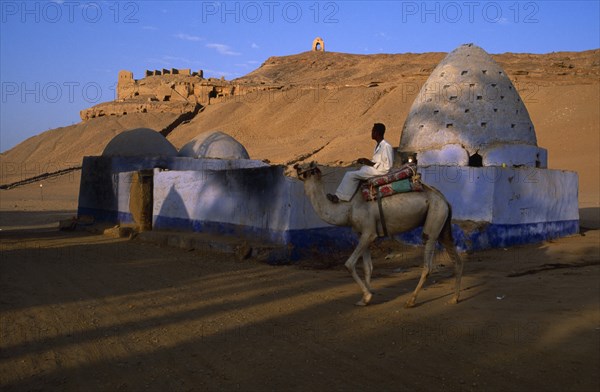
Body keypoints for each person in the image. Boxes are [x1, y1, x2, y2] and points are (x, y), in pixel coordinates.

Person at [327, 123, 394, 203]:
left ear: (377, 132)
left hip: (382, 172)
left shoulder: (386, 146)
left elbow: (388, 166)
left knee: (350, 175)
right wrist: (365, 161)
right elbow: (377, 162)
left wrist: (371, 164)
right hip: (376, 169)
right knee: (360, 169)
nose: (371, 133)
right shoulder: (378, 145)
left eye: (373, 131)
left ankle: (339, 197)